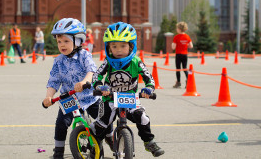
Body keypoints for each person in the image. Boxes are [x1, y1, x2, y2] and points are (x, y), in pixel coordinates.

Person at [91, 22, 165, 157]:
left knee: (143, 118)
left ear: (131, 46)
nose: (118, 50)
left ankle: (149, 142)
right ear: (109, 47)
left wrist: (148, 88)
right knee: (102, 124)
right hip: (110, 98)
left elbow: (149, 78)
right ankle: (95, 146)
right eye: (114, 46)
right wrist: (99, 87)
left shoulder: (136, 62)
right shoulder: (108, 62)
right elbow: (96, 76)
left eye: (123, 46)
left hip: (130, 98)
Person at [41, 18, 112, 159]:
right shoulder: (58, 61)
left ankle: (111, 139)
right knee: (61, 123)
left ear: (78, 41)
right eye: (59, 41)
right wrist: (48, 96)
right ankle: (58, 151)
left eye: (66, 41)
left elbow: (91, 71)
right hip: (70, 98)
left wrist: (85, 81)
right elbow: (54, 81)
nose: (62, 45)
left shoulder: (84, 55)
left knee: (104, 119)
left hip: (89, 96)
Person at [171, 22, 193, 88]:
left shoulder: (176, 37)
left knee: (178, 69)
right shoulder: (187, 36)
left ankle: (178, 82)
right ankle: (188, 80)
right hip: (185, 54)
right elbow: (191, 46)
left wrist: (174, 45)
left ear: (180, 29)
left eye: (177, 28)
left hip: (178, 54)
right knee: (185, 68)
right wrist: (185, 45)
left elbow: (173, 47)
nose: (176, 29)